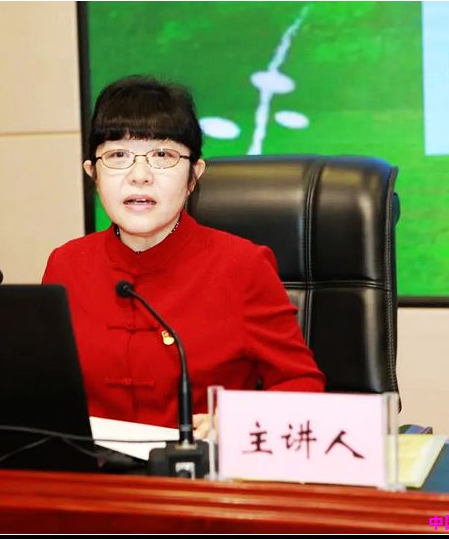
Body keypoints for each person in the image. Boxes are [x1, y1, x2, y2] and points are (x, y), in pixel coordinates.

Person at [42, 76, 325, 438]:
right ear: (93, 174)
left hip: (198, 469)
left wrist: (237, 420)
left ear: (194, 176)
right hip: (89, 469)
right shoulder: (66, 264)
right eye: (117, 156)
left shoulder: (242, 266)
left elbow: (302, 385)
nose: (139, 176)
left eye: (163, 155)